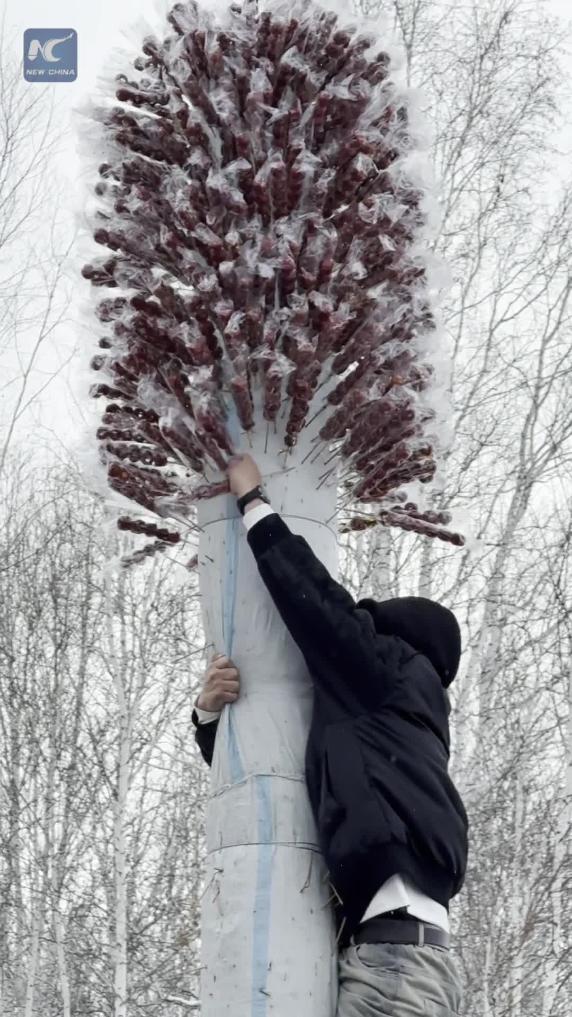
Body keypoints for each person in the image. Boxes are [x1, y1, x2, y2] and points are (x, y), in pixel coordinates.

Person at [193, 453, 468, 1017]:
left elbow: (322, 609)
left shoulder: (392, 674)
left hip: (397, 967)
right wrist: (208, 719)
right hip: (403, 961)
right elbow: (288, 778)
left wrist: (254, 505)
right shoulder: (387, 733)